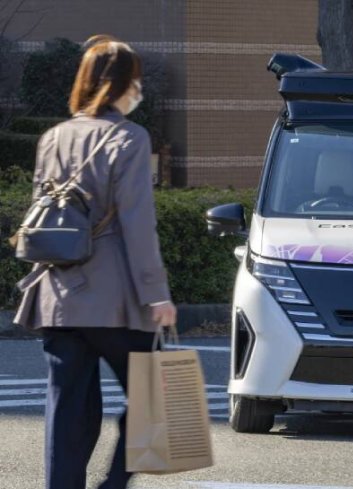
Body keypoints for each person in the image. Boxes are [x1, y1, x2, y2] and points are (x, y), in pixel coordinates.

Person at [13, 37, 176, 489]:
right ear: (125, 84)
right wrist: (157, 294)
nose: (138, 88)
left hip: (58, 296)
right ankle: (114, 484)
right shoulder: (129, 138)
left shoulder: (53, 138)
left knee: (68, 409)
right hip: (116, 300)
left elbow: (42, 217)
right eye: (136, 80)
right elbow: (138, 226)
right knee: (151, 397)